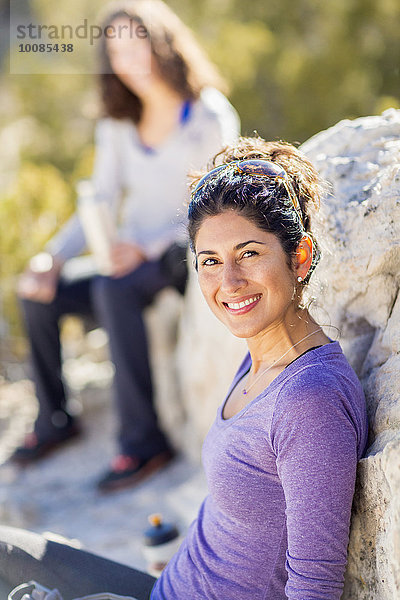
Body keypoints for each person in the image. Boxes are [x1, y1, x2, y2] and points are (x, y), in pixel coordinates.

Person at [0, 136, 368, 598]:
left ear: (300, 257)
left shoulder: (310, 400)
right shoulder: (260, 358)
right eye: (210, 261)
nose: (229, 282)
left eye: (249, 253)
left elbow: (314, 586)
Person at [12, 0, 240, 491]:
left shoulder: (206, 114)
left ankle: (143, 443)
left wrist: (147, 246)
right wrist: (51, 257)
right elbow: (98, 197)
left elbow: (218, 205)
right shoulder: (117, 122)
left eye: (136, 44)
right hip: (126, 259)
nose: (128, 59)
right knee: (36, 294)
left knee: (113, 289)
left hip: (183, 253)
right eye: (116, 51)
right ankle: (55, 420)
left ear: (162, 43)